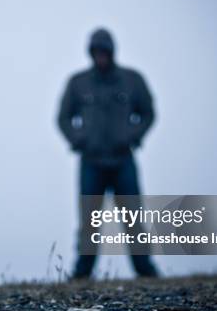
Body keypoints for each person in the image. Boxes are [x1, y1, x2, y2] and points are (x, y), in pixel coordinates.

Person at [57, 28, 159, 279]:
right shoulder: (77, 83)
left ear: (112, 52)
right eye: (96, 51)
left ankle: (145, 271)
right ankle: (82, 274)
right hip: (91, 162)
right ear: (90, 53)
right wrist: (77, 138)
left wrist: (133, 135)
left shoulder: (132, 79)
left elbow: (148, 112)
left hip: (123, 160)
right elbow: (63, 118)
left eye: (104, 51)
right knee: (89, 220)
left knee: (133, 218)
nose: (100, 56)